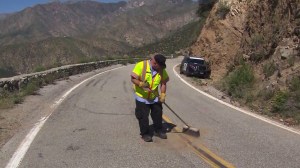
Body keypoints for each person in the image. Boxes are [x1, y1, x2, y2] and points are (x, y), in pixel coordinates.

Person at [131, 54, 169, 142]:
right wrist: (141, 84)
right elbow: (133, 78)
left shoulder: (161, 70)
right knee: (143, 116)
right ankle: (145, 133)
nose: (161, 69)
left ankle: (158, 130)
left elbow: (163, 83)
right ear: (154, 63)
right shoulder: (141, 65)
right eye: (160, 66)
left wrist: (163, 95)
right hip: (142, 97)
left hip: (154, 96)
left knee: (158, 114)